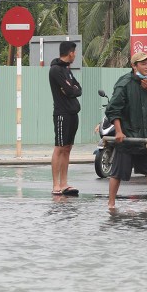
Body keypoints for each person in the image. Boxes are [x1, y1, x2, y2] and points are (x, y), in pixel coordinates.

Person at [105, 52, 147, 209]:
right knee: (117, 172)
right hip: (128, 136)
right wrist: (118, 131)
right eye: (143, 64)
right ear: (134, 65)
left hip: (146, 137)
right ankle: (111, 203)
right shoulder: (124, 83)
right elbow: (113, 109)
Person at [48, 41, 82, 196]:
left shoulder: (67, 70)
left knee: (67, 148)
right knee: (60, 147)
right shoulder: (56, 70)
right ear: (70, 53)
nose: (75, 55)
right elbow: (69, 89)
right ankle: (55, 184)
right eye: (74, 52)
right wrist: (70, 89)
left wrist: (71, 89)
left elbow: (77, 89)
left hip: (73, 113)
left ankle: (64, 183)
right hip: (62, 114)